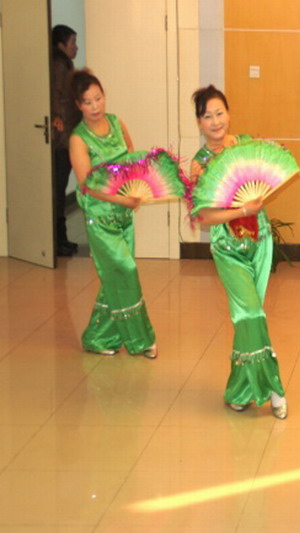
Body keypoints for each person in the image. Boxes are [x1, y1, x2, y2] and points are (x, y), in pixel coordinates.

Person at [190, 85, 287, 418]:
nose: (215, 121)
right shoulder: (200, 165)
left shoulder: (245, 145)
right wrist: (241, 209)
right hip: (227, 246)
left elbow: (267, 173)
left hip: (260, 241)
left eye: (220, 113)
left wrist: (273, 155)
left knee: (250, 317)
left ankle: (240, 389)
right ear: (199, 123)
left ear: (229, 114)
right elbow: (204, 217)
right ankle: (274, 387)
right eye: (207, 116)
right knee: (250, 314)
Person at [69, 69, 156, 358]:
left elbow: (131, 158)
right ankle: (141, 340)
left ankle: (99, 337)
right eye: (88, 102)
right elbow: (88, 186)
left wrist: (134, 189)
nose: (95, 106)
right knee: (125, 271)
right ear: (78, 105)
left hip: (123, 215)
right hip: (101, 217)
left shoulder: (117, 123)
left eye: (98, 98)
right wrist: (122, 198)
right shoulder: (79, 139)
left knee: (114, 278)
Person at [51, 24, 81, 256]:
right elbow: (56, 95)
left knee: (60, 188)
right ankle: (57, 240)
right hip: (61, 139)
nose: (76, 47)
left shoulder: (65, 65)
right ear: (61, 44)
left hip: (67, 136)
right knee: (58, 190)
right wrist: (57, 118)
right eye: (72, 43)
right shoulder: (59, 65)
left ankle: (61, 238)